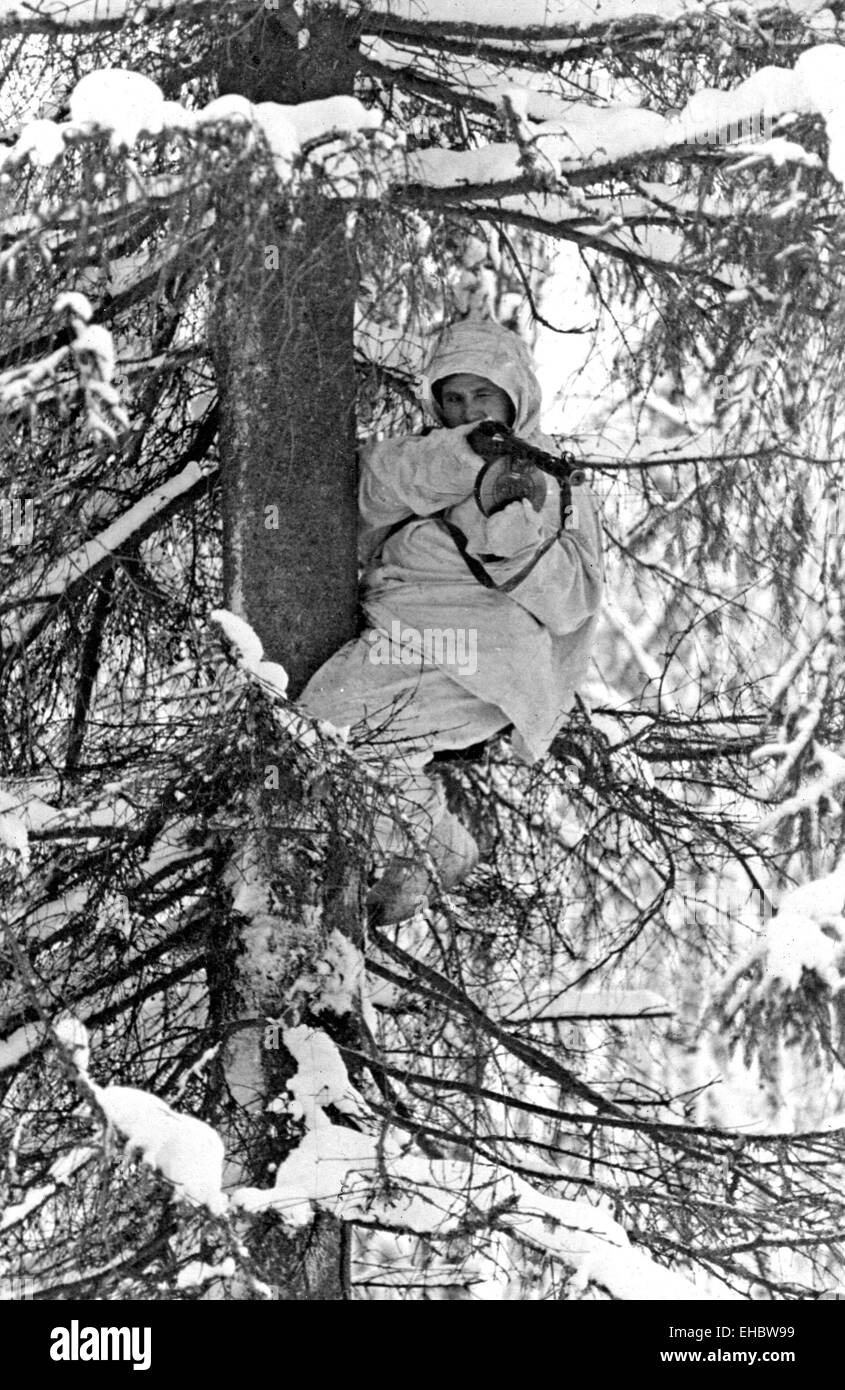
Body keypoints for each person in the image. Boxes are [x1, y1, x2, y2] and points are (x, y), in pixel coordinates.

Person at [300, 317, 604, 925]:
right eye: (454, 396)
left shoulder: (544, 475)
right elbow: (370, 492)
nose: (468, 410)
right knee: (351, 740)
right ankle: (431, 852)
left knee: (326, 724)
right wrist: (467, 459)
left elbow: (575, 599)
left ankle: (431, 855)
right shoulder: (423, 456)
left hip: (476, 649)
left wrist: (512, 532)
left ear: (515, 395)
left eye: (483, 395)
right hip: (417, 636)